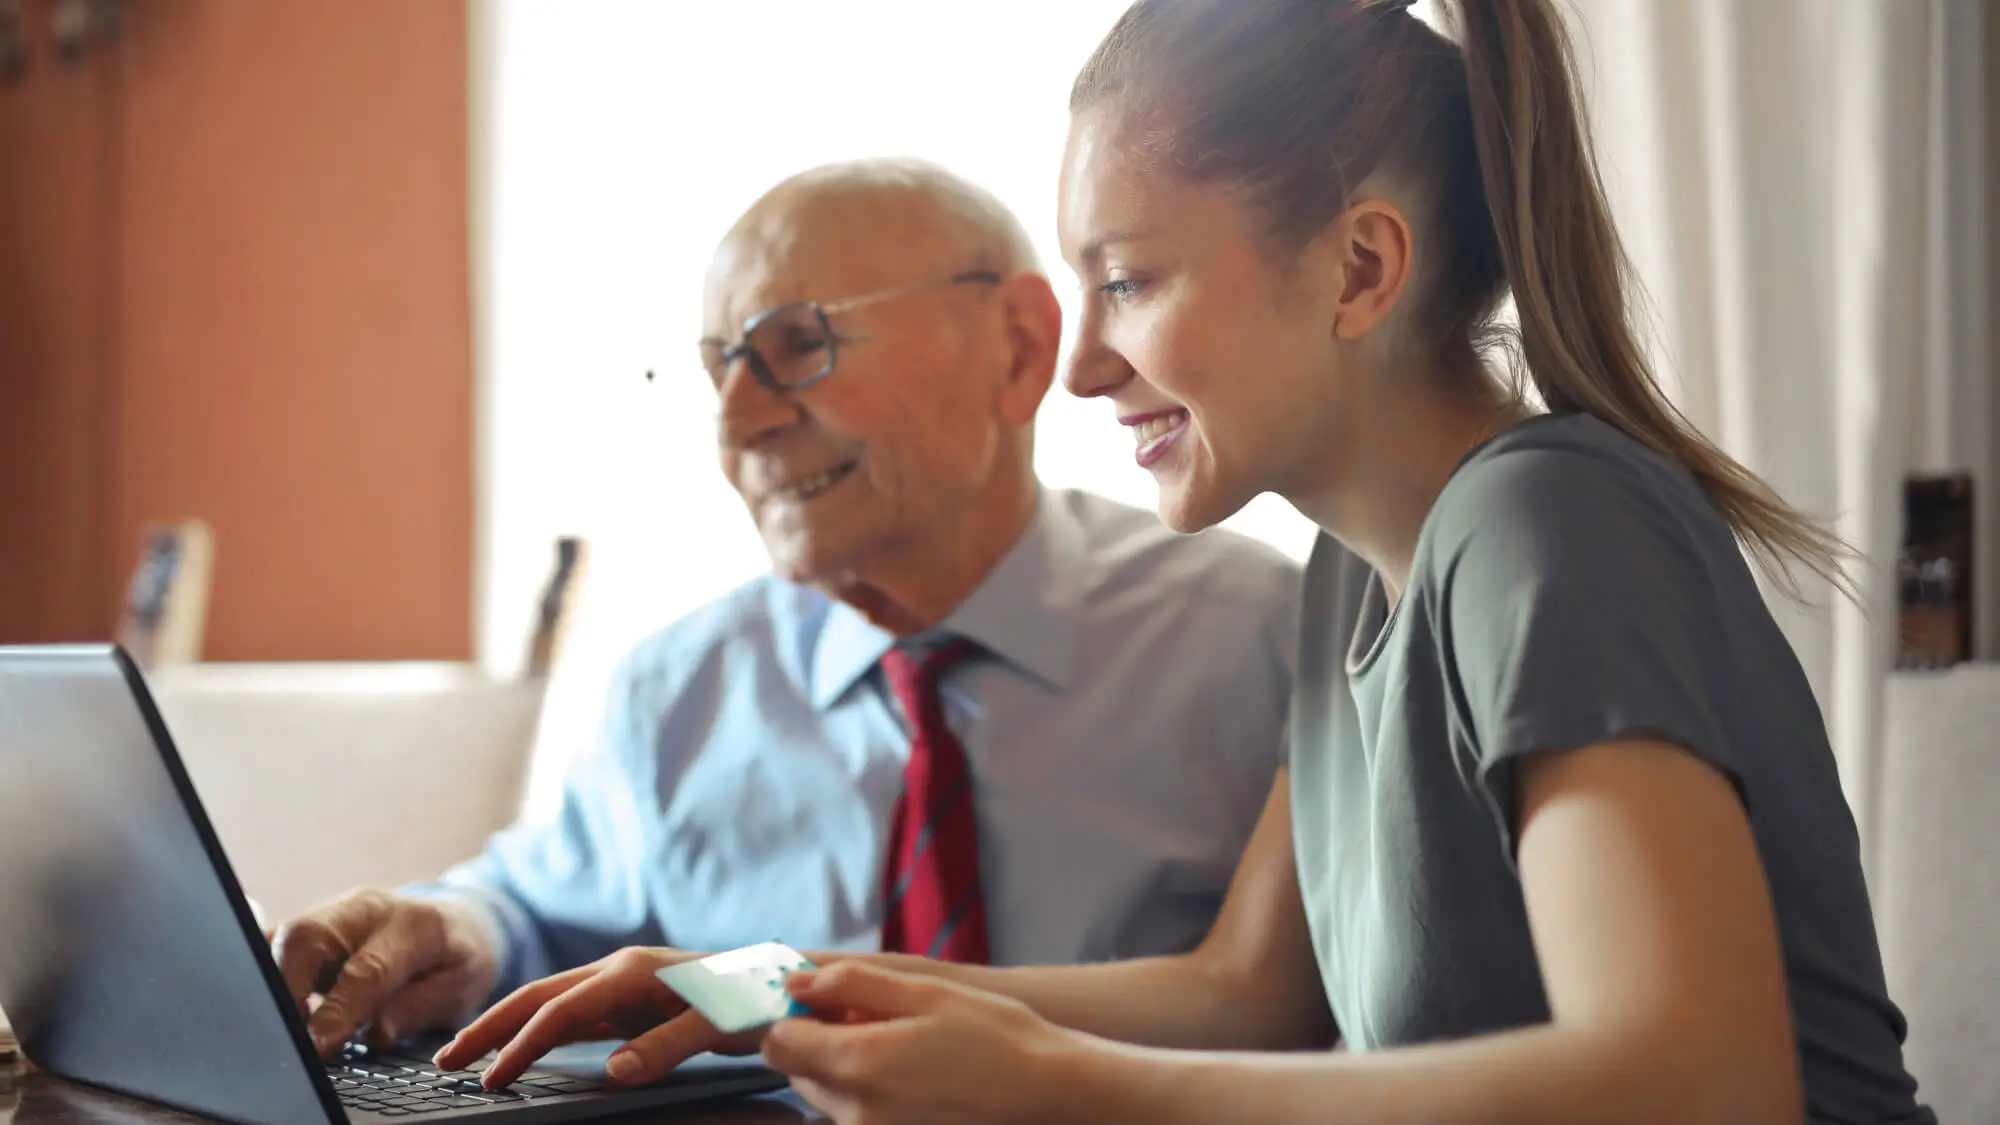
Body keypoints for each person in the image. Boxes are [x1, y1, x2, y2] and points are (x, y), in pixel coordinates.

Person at [436, 2, 1939, 1123]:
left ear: (1360, 268)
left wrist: (1058, 1084)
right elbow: (1243, 991)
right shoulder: (1358, 575)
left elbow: (1703, 1077)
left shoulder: (1542, 526)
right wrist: (756, 984)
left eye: (1130, 279)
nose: (1081, 368)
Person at [266, 159, 1300, 1060]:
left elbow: (1294, 1012)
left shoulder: (1258, 638)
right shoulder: (679, 686)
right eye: (720, 368)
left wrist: (752, 991)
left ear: (1019, 348)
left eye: (795, 345)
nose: (738, 425)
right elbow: (536, 911)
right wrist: (452, 931)